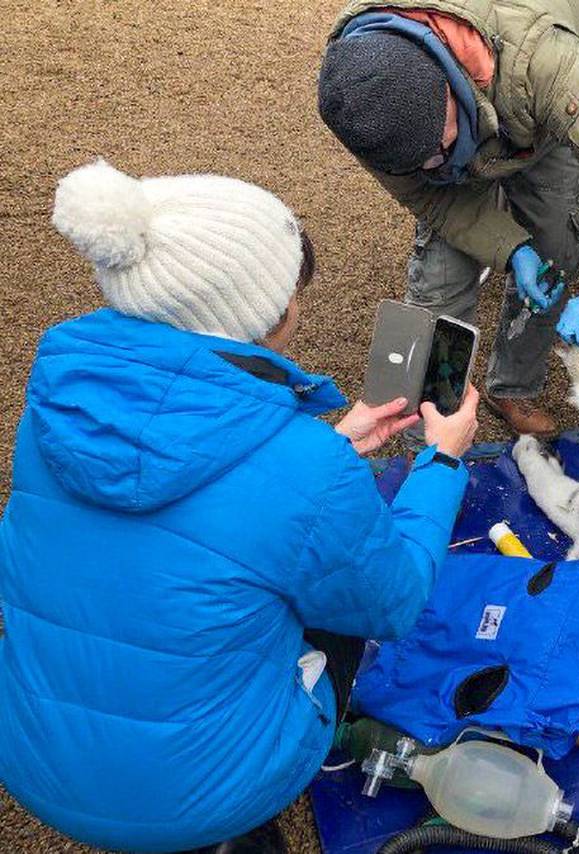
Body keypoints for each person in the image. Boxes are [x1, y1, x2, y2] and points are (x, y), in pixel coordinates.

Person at [0, 160, 479, 854]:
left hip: (34, 756)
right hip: (198, 795)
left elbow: (194, 498)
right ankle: (238, 827)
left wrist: (336, 446)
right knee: (339, 607)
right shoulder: (300, 466)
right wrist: (441, 463)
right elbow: (395, 602)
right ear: (262, 311)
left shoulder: (59, 410)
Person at [317, 0, 579, 438]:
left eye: (441, 146)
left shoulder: (546, 62)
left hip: (539, 121)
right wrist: (512, 248)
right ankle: (435, 419)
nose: (439, 165)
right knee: (439, 276)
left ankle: (513, 387)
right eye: (421, 163)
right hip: (474, 103)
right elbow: (438, 201)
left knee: (555, 249)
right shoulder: (358, 104)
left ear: (448, 86)